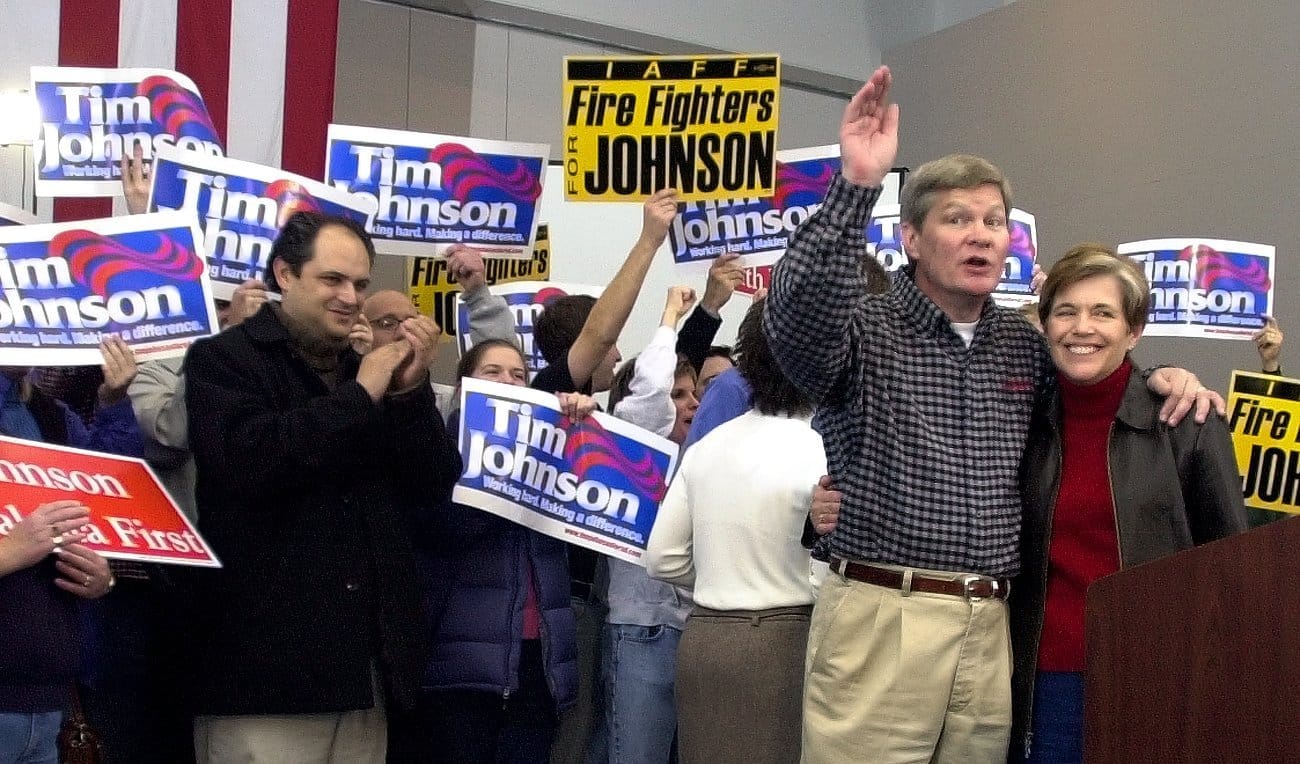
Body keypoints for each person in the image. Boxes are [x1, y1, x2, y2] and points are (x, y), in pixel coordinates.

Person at [763, 65, 1219, 763]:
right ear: (912, 239)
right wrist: (857, 184)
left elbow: (1096, 379)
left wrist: (1165, 379)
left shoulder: (1022, 343)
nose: (981, 234)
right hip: (886, 617)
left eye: (993, 221)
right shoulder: (862, 330)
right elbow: (798, 312)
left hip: (994, 627)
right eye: (957, 219)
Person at [183, 212, 462, 762]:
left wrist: (408, 397)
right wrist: (360, 398)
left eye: (360, 284)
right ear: (284, 275)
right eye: (332, 279)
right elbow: (252, 460)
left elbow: (432, 488)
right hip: (266, 677)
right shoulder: (224, 359)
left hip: (366, 671)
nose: (350, 297)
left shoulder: (367, 370)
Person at [1011, 245, 1248, 762]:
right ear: (1045, 324)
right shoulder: (1020, 420)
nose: (1082, 328)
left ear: (1133, 330)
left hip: (1161, 676)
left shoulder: (1187, 420)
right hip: (1045, 678)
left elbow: (1235, 566)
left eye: (1103, 313)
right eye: (1066, 311)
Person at [645, 296, 825, 764]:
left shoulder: (708, 446)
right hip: (787, 639)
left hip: (705, 638)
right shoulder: (824, 449)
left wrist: (718, 572)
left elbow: (661, 556)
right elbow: (829, 574)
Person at [399, 338, 590, 763]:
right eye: (493, 372)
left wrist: (581, 431)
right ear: (467, 385)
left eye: (518, 374)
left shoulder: (551, 448)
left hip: (538, 665)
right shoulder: (439, 447)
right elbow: (435, 528)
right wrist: (504, 489)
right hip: (463, 671)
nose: (508, 380)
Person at [599, 286, 700, 764]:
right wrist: (669, 317)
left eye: (694, 393)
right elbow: (647, 398)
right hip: (645, 631)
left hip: (697, 633)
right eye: (678, 395)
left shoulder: (701, 462)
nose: (691, 403)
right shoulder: (633, 455)